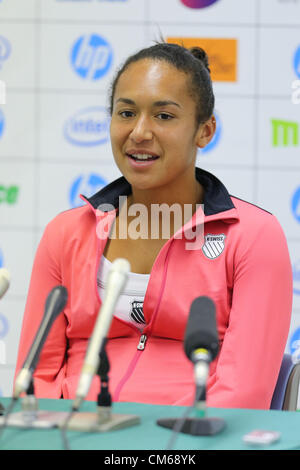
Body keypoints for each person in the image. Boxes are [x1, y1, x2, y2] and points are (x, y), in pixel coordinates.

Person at [14, 42, 293, 409]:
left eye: (164, 116)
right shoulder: (66, 233)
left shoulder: (253, 236)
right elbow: (37, 375)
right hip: (73, 433)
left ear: (205, 131)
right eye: (126, 113)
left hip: (189, 439)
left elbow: (243, 393)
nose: (140, 132)